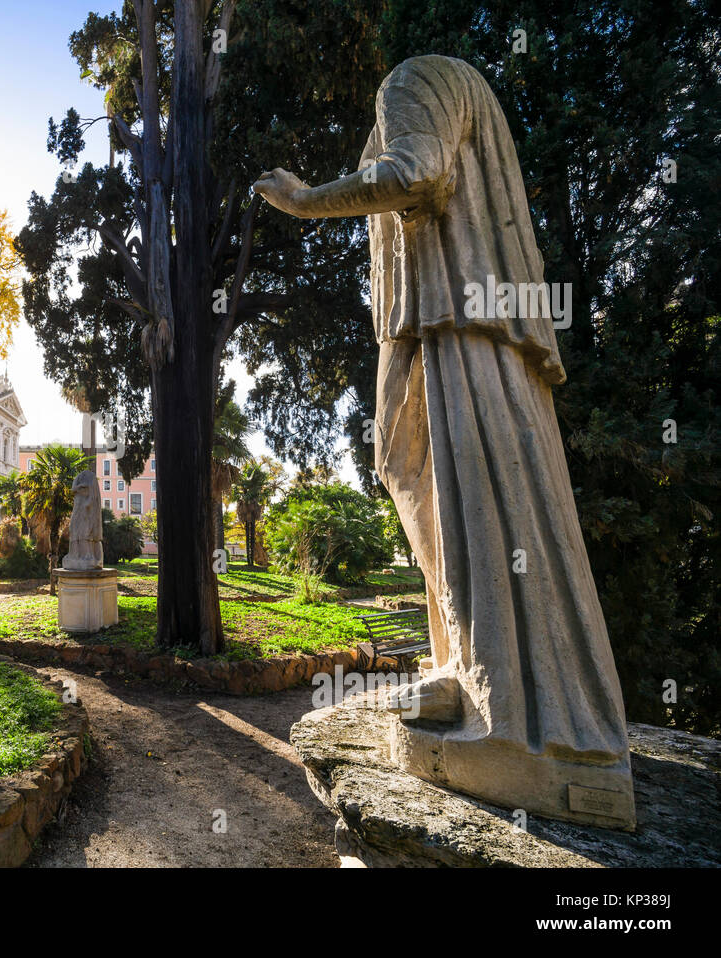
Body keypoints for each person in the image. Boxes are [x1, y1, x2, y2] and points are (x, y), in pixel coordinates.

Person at [254, 54, 634, 828]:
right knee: (411, 467)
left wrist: (303, 200)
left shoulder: (412, 79)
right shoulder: (434, 84)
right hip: (439, 318)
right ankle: (461, 666)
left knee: (476, 487)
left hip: (458, 317)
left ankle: (522, 726)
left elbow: (419, 174)